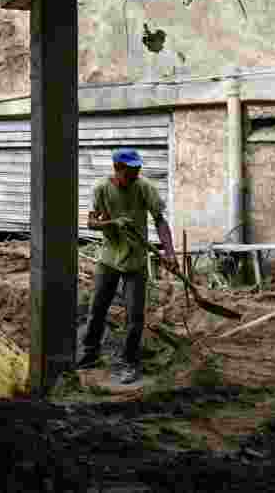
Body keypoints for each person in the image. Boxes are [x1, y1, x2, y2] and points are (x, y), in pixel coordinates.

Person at [77, 148, 179, 384]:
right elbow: (92, 223)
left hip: (136, 262)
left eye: (138, 171)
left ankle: (129, 362)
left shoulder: (144, 188)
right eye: (131, 172)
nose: (135, 175)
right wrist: (113, 223)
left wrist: (170, 253)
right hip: (109, 259)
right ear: (117, 168)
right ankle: (90, 354)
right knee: (97, 310)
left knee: (135, 317)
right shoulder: (101, 188)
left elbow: (160, 222)